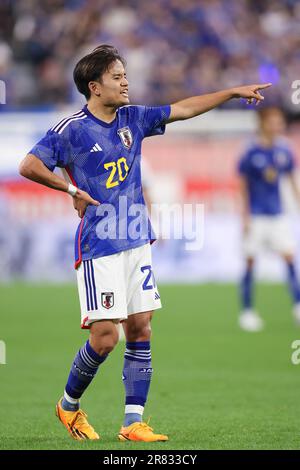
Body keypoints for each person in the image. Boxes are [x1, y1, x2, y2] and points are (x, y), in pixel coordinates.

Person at [19, 44, 271, 442]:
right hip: (99, 245)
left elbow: (183, 109)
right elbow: (29, 165)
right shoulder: (71, 129)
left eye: (125, 75)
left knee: (141, 328)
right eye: (117, 76)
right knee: (105, 337)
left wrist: (230, 92)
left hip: (137, 239)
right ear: (94, 86)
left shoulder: (133, 119)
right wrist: (70, 188)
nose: (125, 82)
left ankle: (132, 422)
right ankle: (68, 406)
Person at [237, 106, 300, 332]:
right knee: (251, 261)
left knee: (290, 258)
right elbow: (242, 185)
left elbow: (292, 179)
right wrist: (244, 216)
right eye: (274, 121)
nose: (278, 126)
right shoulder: (250, 150)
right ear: (262, 123)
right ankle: (247, 311)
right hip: (256, 216)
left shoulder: (284, 149)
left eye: (280, 122)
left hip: (277, 215)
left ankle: (297, 306)